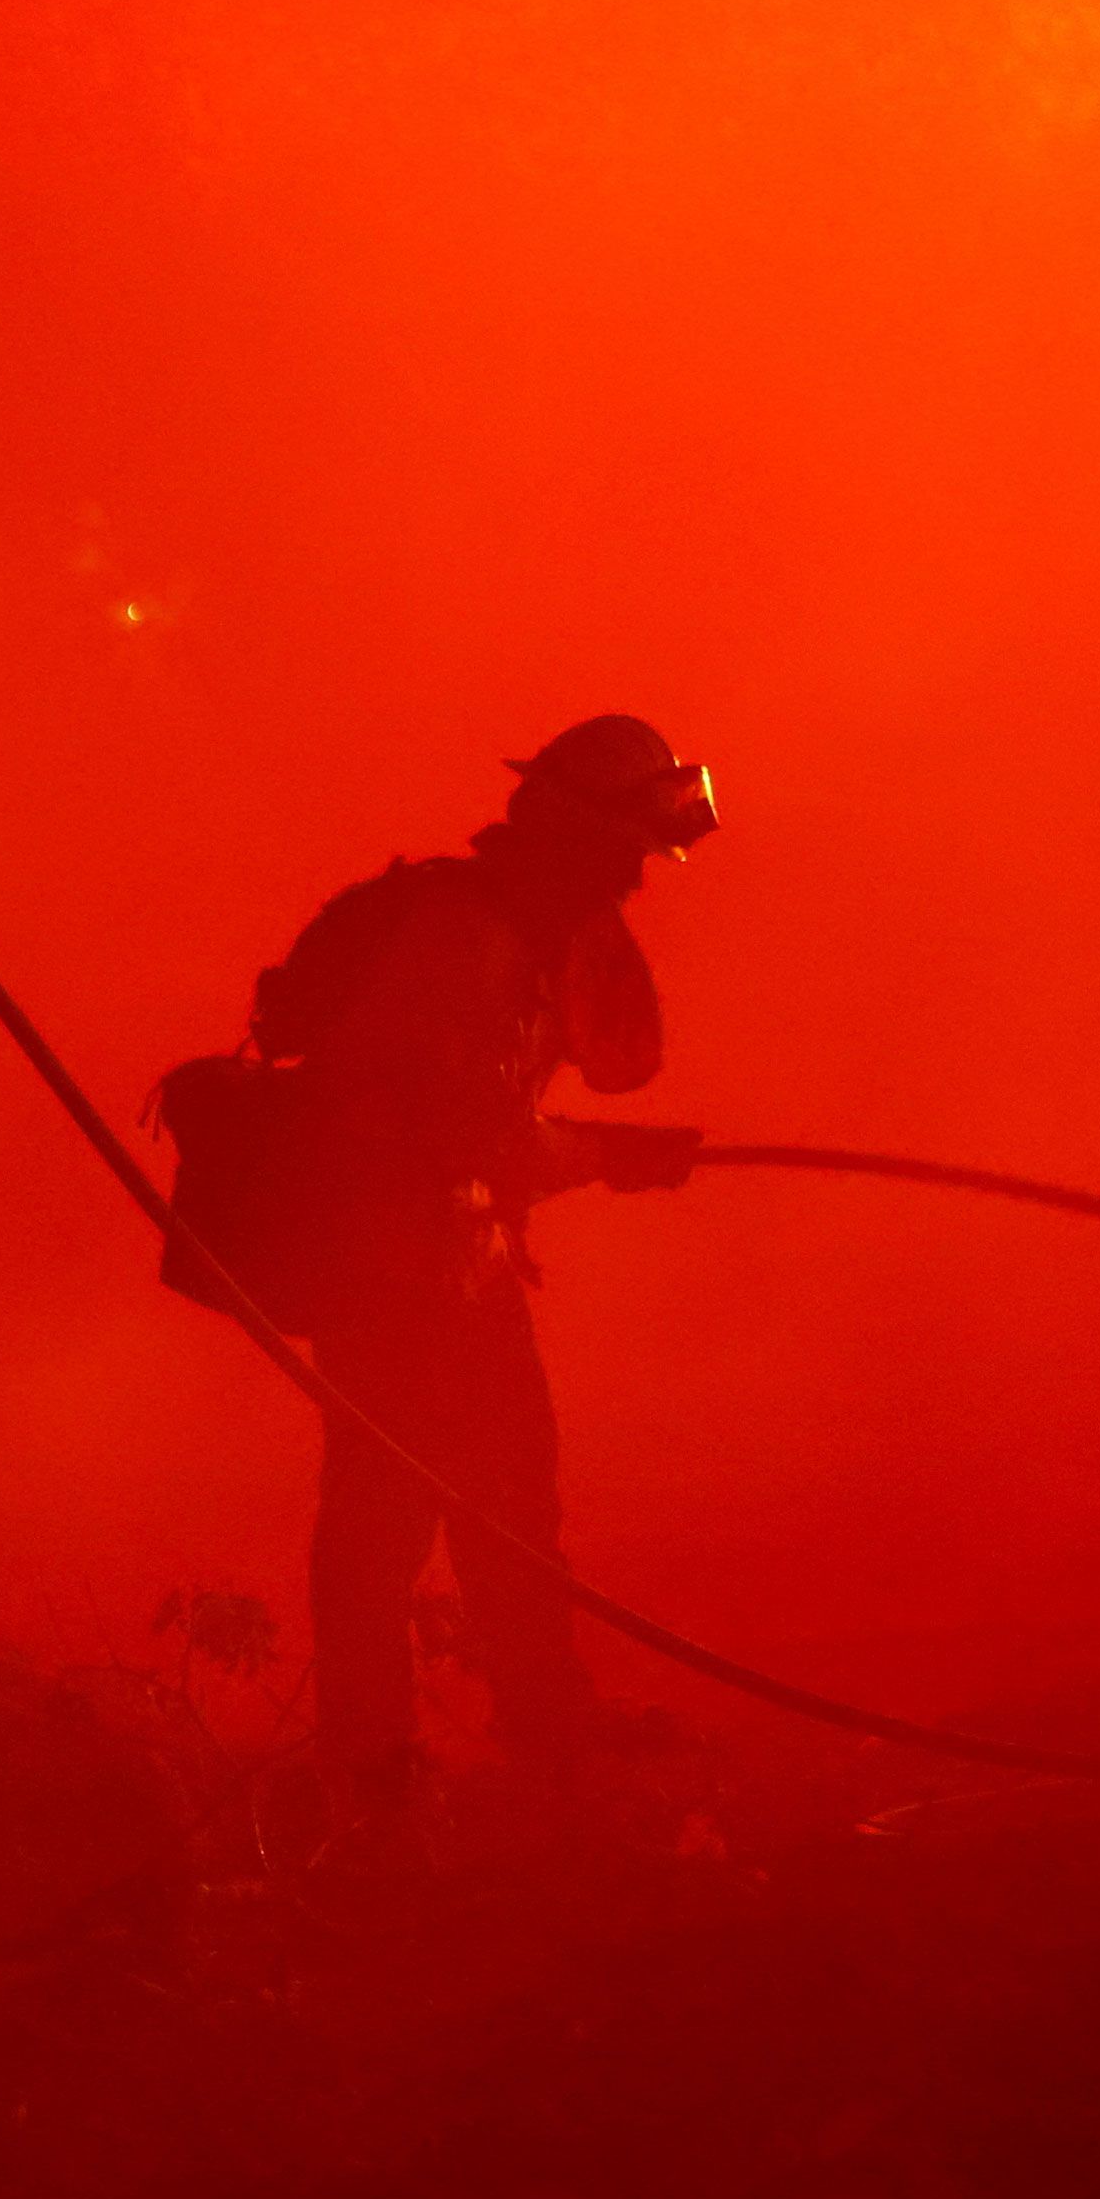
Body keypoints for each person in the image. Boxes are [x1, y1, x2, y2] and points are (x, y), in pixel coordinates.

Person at [264, 714, 718, 1804]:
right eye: (625, 850)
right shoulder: (461, 939)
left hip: (460, 1259)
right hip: (383, 1269)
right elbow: (451, 1129)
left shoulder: (531, 929)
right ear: (574, 830)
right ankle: (367, 1772)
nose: (637, 876)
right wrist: (603, 1160)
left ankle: (549, 1739)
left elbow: (614, 1068)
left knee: (513, 1502)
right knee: (383, 1516)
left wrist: (603, 1142)